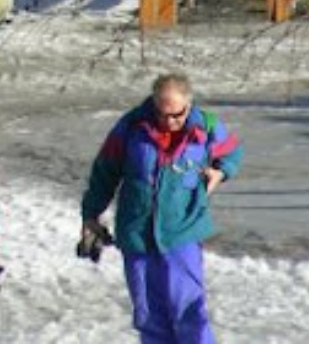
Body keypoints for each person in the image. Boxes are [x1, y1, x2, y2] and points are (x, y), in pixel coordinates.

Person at [80, 74, 242, 344]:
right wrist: (91, 214)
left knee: (189, 313)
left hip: (182, 232)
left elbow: (231, 153)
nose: (169, 122)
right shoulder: (131, 126)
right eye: (162, 114)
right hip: (137, 235)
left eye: (176, 115)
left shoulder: (207, 127)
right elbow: (104, 171)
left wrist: (221, 172)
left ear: (188, 105)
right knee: (149, 316)